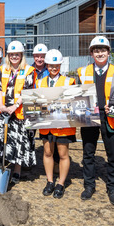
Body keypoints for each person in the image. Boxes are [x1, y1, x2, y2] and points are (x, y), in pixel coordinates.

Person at [77, 36, 114, 205]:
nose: (100, 53)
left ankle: (113, 188)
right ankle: (89, 185)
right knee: (88, 153)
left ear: (108, 52)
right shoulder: (82, 72)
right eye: (96, 50)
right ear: (91, 53)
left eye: (103, 50)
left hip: (110, 117)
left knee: (112, 154)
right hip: (89, 115)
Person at [0, 40, 36, 184]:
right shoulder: (4, 69)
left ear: (21, 55)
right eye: (11, 54)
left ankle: (17, 171)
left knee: (17, 141)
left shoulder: (28, 70)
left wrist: (14, 107)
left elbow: (27, 91)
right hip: (2, 110)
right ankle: (1, 162)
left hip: (19, 111)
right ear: (8, 56)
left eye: (17, 54)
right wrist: (1, 105)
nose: (14, 57)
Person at [39, 49, 77, 199]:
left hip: (63, 126)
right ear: (47, 65)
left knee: (63, 154)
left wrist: (64, 120)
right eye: (50, 65)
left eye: (56, 65)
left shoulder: (69, 81)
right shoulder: (40, 82)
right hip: (47, 124)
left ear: (60, 65)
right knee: (48, 152)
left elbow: (72, 104)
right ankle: (50, 181)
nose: (53, 68)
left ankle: (60, 183)